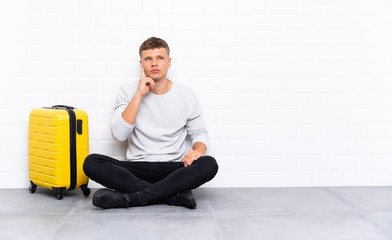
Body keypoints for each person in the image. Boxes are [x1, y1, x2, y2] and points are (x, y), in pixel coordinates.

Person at [83, 37, 218, 209]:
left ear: (169, 62)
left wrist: (197, 152)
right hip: (137, 166)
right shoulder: (127, 90)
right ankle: (172, 195)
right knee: (91, 162)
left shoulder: (187, 94)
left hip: (173, 168)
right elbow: (119, 134)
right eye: (148, 59)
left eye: (160, 58)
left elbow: (199, 133)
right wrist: (139, 95)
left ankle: (131, 198)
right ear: (142, 64)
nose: (154, 63)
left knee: (209, 164)